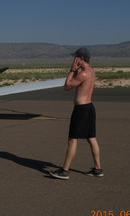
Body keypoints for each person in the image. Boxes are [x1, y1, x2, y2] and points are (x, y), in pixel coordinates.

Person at [49, 47, 103, 180]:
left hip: (81, 110)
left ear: (81, 58)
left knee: (72, 139)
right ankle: (97, 169)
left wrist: (72, 70)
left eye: (76, 57)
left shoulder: (83, 74)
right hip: (89, 108)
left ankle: (64, 171)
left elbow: (66, 86)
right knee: (91, 138)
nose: (74, 59)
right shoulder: (91, 71)